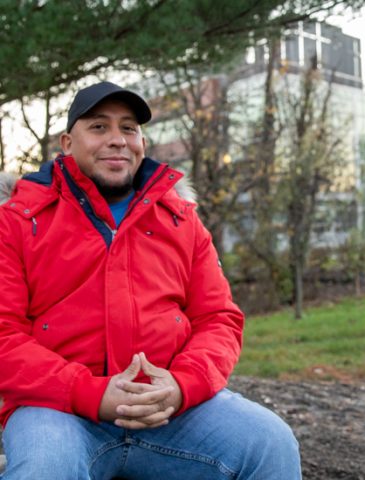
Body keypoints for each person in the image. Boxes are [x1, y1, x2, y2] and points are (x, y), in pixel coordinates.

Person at [0, 81, 301, 479]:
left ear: (142, 140)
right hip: (58, 410)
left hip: (172, 412)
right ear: (67, 142)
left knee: (271, 443)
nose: (117, 140)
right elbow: (4, 334)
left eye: (128, 128)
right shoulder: (18, 219)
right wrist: (90, 393)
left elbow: (219, 318)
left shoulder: (180, 218)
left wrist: (183, 386)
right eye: (99, 127)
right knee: (44, 466)